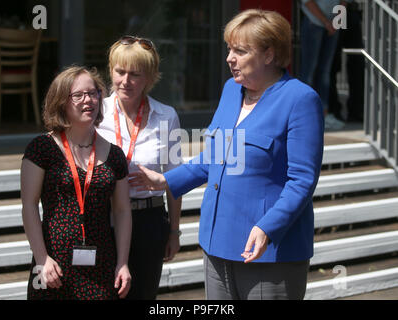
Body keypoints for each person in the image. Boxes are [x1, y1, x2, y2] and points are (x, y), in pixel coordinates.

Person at [129, 9, 324, 300]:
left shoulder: (300, 99)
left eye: (240, 51)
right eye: (229, 49)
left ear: (269, 54)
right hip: (217, 243)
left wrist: (268, 227)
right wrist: (165, 181)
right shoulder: (231, 91)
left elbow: (302, 180)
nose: (229, 58)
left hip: (270, 251)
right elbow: (216, 157)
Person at [21, 66, 132, 300]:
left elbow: (122, 211)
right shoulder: (41, 149)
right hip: (53, 266)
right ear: (61, 101)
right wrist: (41, 259)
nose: (88, 100)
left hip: (102, 265)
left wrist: (122, 263)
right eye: (78, 95)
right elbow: (29, 206)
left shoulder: (115, 155)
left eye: (93, 93)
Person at [96, 36, 182, 300]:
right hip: (102, 219)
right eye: (120, 72)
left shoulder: (167, 116)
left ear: (150, 77)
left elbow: (174, 180)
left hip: (149, 220)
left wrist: (174, 231)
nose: (125, 81)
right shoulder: (96, 113)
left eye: (135, 74)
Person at [299, 0, 349, 130]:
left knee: (325, 72)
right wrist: (328, 23)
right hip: (314, 22)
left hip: (333, 25)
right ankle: (304, 116)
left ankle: (324, 115)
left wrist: (337, 22)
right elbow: (307, 2)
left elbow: (344, 2)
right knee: (308, 72)